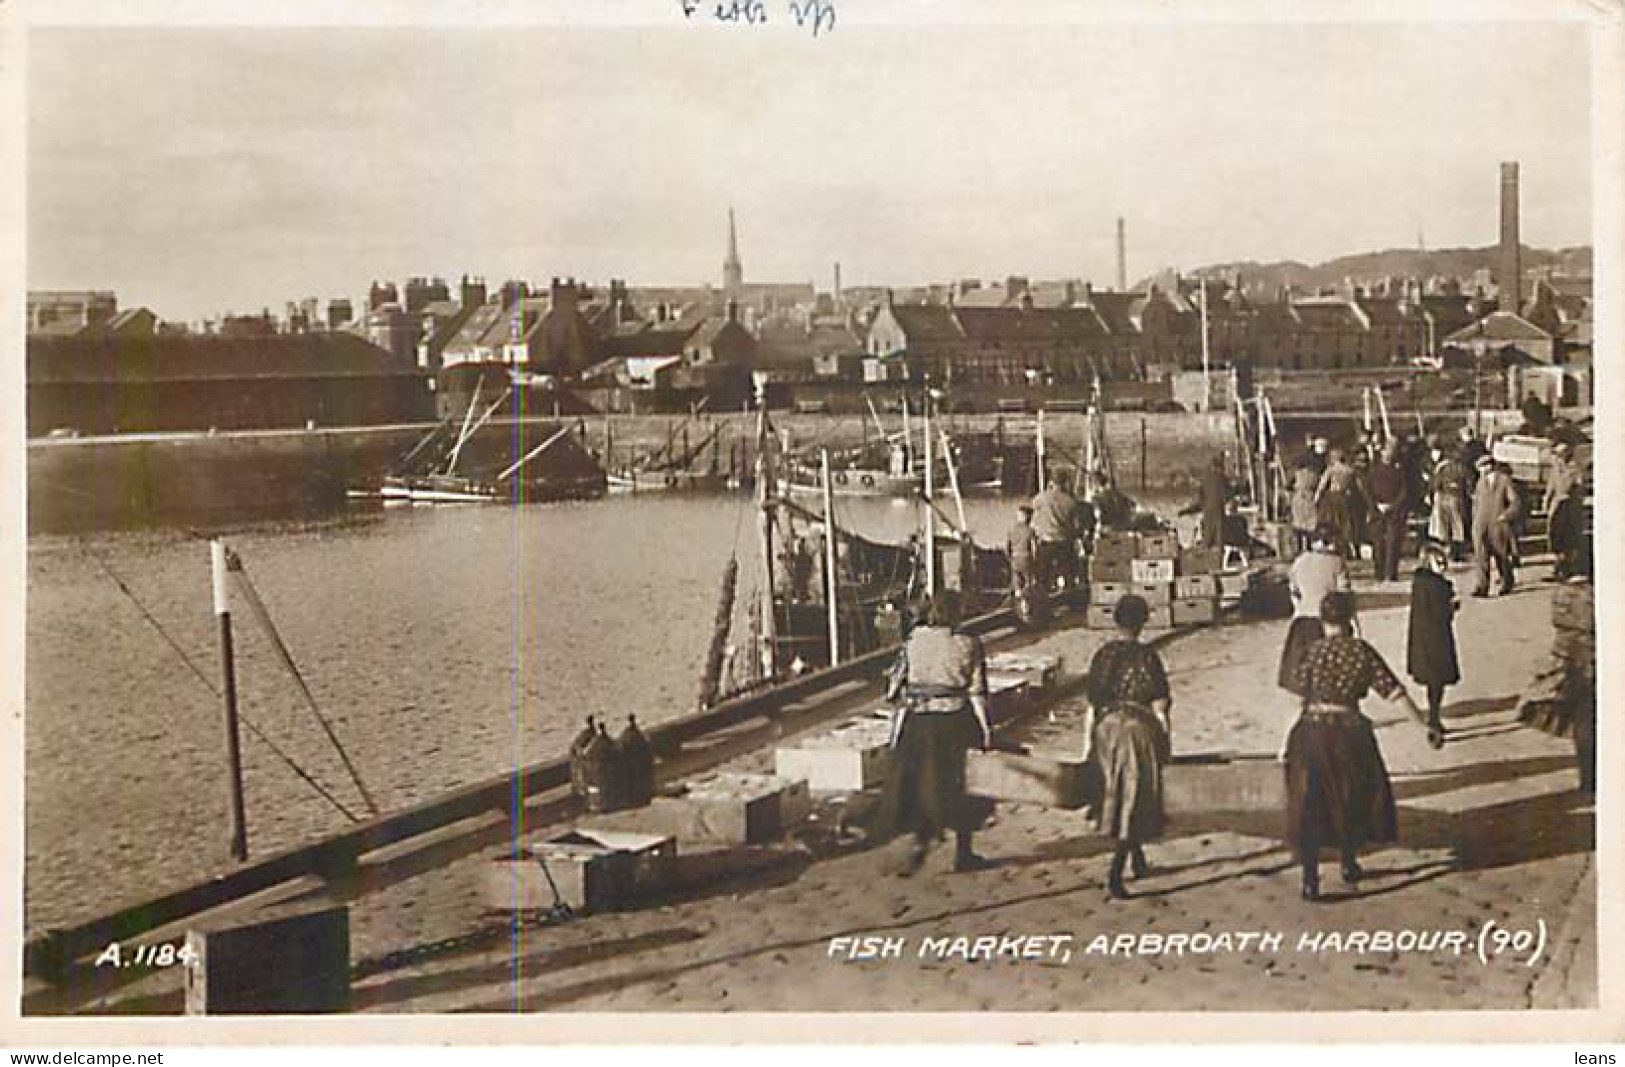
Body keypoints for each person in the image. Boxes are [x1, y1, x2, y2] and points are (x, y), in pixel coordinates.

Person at [1285, 591, 1432, 901]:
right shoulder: (1362, 651)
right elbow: (1394, 692)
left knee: (1311, 801)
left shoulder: (1312, 652)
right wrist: (1424, 725)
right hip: (1350, 732)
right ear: (1349, 619)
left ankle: (1310, 879)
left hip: (1312, 731)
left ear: (1323, 620)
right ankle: (1348, 861)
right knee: (1351, 796)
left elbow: (1300, 694)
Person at [878, 590, 993, 875]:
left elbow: (892, 688)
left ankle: (920, 840)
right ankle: (963, 852)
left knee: (922, 783)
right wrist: (987, 730)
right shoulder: (969, 643)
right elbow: (977, 692)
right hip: (955, 721)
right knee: (964, 785)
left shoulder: (913, 640)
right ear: (957, 613)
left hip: (918, 721)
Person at [1082, 594, 1172, 900]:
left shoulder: (1103, 655)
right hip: (1136, 730)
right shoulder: (1148, 657)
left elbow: (1092, 706)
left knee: (1117, 794)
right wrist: (1166, 742)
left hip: (1105, 729)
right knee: (1134, 797)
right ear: (1144, 621)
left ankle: (1138, 858)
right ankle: (1116, 873)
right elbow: (1161, 708)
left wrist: (1088, 745)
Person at [1515, 539, 1595, 796]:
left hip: (1568, 663)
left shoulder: (1560, 594)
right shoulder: (1591, 597)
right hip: (1592, 662)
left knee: (1583, 723)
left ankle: (1587, 777)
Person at [1278, 527, 1352, 697]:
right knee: (1331, 669)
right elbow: (1344, 593)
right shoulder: (1336, 562)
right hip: (1329, 621)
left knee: (1303, 668)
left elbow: (1294, 590)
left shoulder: (1300, 561)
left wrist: (1300, 606)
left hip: (1303, 620)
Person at [1405, 542, 1457, 749]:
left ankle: (1434, 715)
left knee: (1432, 681)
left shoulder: (1419, 583)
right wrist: (1451, 606)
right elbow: (1441, 613)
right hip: (1437, 640)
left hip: (1422, 640)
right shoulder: (1439, 586)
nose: (1444, 566)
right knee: (1438, 681)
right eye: (1440, 562)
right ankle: (1434, 718)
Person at [1470, 455, 1520, 597]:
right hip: (1481, 523)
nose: (1480, 470)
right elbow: (1476, 504)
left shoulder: (1504, 480)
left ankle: (1507, 582)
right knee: (1481, 556)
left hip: (1498, 523)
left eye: (1482, 467)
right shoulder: (1480, 483)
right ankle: (1482, 586)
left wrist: (1506, 515)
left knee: (1501, 555)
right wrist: (1474, 522)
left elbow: (1515, 501)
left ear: (1489, 466)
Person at [1031, 471, 1082, 597]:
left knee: (1042, 574)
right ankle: (1070, 597)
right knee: (1068, 572)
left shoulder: (1040, 498)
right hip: (1063, 541)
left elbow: (1035, 512)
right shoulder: (1070, 501)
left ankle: (1042, 598)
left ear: (1051, 482)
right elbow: (1074, 523)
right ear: (1064, 483)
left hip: (1046, 540)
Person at [1368, 438, 1410, 582]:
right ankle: (1379, 572)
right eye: (1387, 451)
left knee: (1393, 543)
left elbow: (1404, 491)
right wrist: (1376, 505)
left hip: (1394, 511)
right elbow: (1367, 491)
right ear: (1382, 453)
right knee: (1378, 543)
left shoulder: (1400, 470)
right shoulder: (1374, 470)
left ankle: (1391, 573)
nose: (1389, 455)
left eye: (1392, 452)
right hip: (1377, 511)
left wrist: (1393, 505)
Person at [1315, 448, 1366, 561]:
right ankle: (1353, 550)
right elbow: (1360, 486)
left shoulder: (1331, 470)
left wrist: (1317, 498)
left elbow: (1322, 485)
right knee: (1348, 524)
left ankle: (1339, 548)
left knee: (1334, 523)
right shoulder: (1350, 470)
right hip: (1346, 499)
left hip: (1333, 498)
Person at [1543, 442, 1585, 580]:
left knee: (1568, 537)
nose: (1558, 458)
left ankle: (1565, 568)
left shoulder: (1574, 470)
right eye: (1556, 455)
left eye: (1561, 455)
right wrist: (1546, 502)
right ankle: (1558, 567)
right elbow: (1550, 487)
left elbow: (1579, 489)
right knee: (1554, 535)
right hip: (1556, 505)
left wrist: (1574, 501)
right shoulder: (1555, 469)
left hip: (1569, 507)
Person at [1426, 445, 1467, 562]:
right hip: (1456, 498)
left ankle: (1445, 551)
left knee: (1442, 527)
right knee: (1457, 526)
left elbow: (1435, 483)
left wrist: (1431, 496)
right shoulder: (1461, 468)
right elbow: (1467, 485)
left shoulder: (1441, 468)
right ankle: (1456, 553)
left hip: (1442, 497)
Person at [1006, 503, 1044, 627]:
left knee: (1017, 586)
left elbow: (1007, 548)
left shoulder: (1011, 530)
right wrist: (1036, 561)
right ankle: (1027, 612)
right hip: (1026, 558)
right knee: (1029, 586)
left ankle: (1017, 611)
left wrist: (1010, 558)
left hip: (1015, 558)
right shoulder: (1030, 531)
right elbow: (1035, 549)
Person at [1289, 461, 1321, 557]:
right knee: (1309, 523)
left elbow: (1288, 485)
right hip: (1310, 498)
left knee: (1298, 523)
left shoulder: (1296, 474)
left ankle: (1299, 548)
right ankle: (1308, 547)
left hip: (1298, 498)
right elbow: (1319, 486)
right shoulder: (1315, 475)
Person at [1200, 455, 1229, 549]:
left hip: (1207, 510)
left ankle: (1206, 552)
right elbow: (1225, 495)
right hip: (1217, 510)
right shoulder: (1222, 478)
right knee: (1219, 534)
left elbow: (1201, 496)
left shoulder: (1205, 478)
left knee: (1208, 535)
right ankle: (1218, 554)